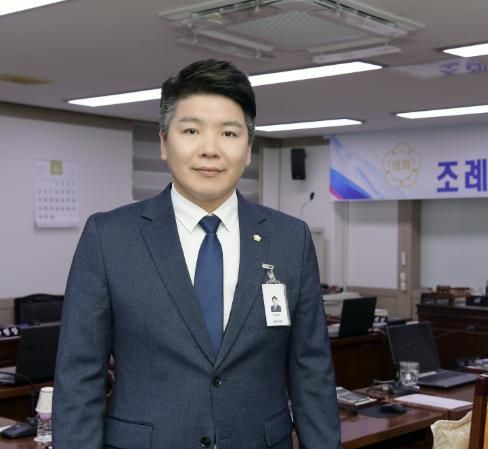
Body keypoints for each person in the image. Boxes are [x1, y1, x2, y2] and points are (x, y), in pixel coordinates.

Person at [53, 59, 341, 449]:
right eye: (191, 130)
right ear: (163, 142)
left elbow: (312, 372)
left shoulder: (290, 239)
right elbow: (78, 377)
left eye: (228, 133)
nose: (209, 149)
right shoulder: (109, 237)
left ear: (248, 148)